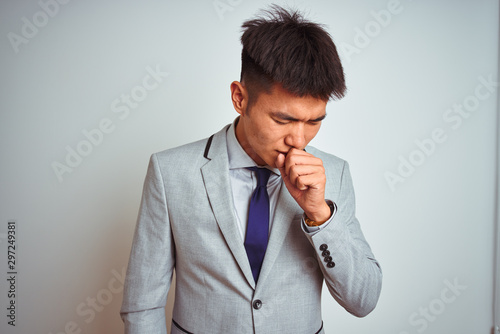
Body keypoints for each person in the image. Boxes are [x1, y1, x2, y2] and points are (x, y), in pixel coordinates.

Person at [120, 5, 382, 334]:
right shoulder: (170, 171)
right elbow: (143, 303)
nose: (299, 139)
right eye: (283, 119)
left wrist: (320, 214)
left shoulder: (334, 174)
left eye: (314, 121)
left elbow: (364, 300)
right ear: (240, 98)